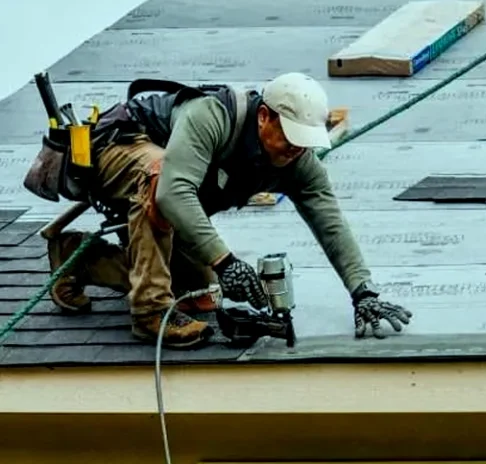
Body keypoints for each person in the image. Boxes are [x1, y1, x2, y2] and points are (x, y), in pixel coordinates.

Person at [47, 72, 412, 348]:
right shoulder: (212, 117)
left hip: (160, 204)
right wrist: (226, 262)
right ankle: (149, 312)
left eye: (303, 143)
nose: (294, 150)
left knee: (197, 291)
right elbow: (173, 193)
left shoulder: (297, 160)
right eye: (289, 138)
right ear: (264, 117)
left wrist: (363, 292)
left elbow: (330, 221)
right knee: (159, 176)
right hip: (119, 148)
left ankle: (78, 260)